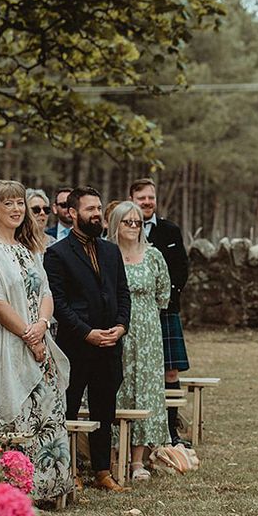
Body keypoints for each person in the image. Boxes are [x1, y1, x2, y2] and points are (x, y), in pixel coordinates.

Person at [0, 180, 72, 503]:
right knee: (18, 415)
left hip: (40, 341)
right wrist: (27, 334)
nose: (17, 209)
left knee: (49, 412)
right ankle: (20, 492)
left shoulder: (29, 248)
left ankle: (54, 488)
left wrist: (42, 326)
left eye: (20, 203)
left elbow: (46, 292)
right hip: (10, 342)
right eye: (9, 203)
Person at [44, 186, 132, 493]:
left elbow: (122, 292)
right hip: (76, 346)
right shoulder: (56, 254)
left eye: (99, 208)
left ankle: (102, 472)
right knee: (68, 409)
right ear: (72, 213)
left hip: (110, 343)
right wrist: (86, 333)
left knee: (104, 410)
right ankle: (69, 472)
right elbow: (59, 302)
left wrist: (121, 326)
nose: (96, 213)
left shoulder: (110, 250)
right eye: (89, 209)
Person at [108, 201, 171, 480]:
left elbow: (163, 293)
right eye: (127, 222)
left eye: (138, 222)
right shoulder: (107, 253)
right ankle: (111, 457)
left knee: (144, 390)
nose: (133, 226)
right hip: (115, 328)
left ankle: (137, 461)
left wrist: (144, 318)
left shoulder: (154, 255)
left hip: (147, 333)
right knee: (115, 388)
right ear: (115, 225)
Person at [130, 178, 190, 445]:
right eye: (141, 198)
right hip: (133, 312)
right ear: (132, 199)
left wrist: (163, 301)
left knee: (170, 373)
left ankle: (170, 431)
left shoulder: (169, 230)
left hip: (164, 310)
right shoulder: (126, 229)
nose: (147, 202)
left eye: (150, 197)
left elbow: (181, 269)